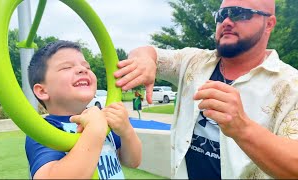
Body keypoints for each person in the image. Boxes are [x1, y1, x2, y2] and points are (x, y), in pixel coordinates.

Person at [114, 0, 298, 179]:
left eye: (239, 13)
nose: (226, 21)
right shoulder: (193, 61)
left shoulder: (291, 86)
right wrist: (145, 59)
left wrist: (242, 128)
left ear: (269, 24)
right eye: (221, 15)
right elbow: (147, 51)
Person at [25, 40, 142, 179]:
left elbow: (132, 161)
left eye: (87, 66)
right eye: (66, 67)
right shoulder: (43, 130)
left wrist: (126, 131)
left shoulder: (103, 118)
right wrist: (94, 129)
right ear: (42, 91)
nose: (83, 69)